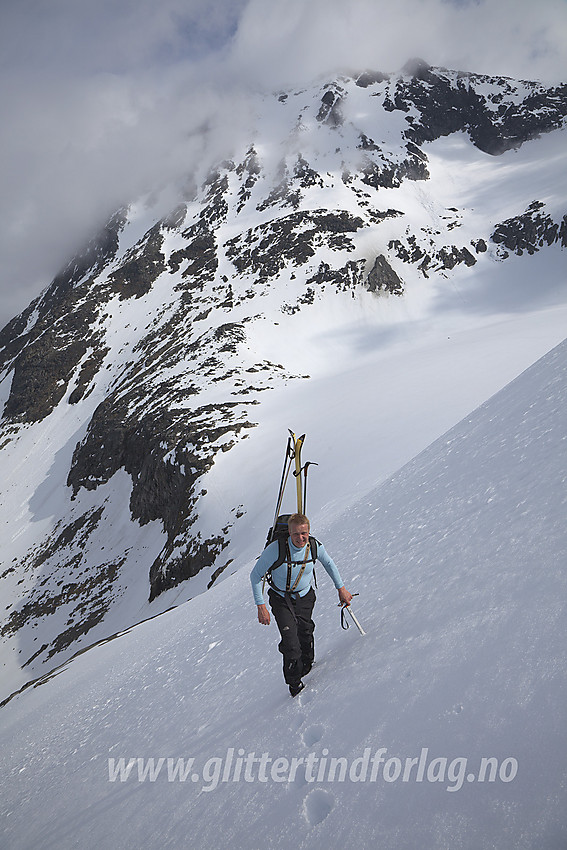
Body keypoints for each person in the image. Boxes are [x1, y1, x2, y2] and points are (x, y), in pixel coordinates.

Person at [250, 513, 352, 697]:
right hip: (281, 599)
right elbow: (255, 575)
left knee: (305, 631)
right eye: (296, 534)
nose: (301, 538)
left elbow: (329, 563)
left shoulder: (313, 546)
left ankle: (307, 664)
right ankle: (294, 684)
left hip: (305, 597)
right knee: (291, 643)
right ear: (289, 533)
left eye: (304, 533)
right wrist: (261, 606)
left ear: (309, 531)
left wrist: (341, 589)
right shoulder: (276, 549)